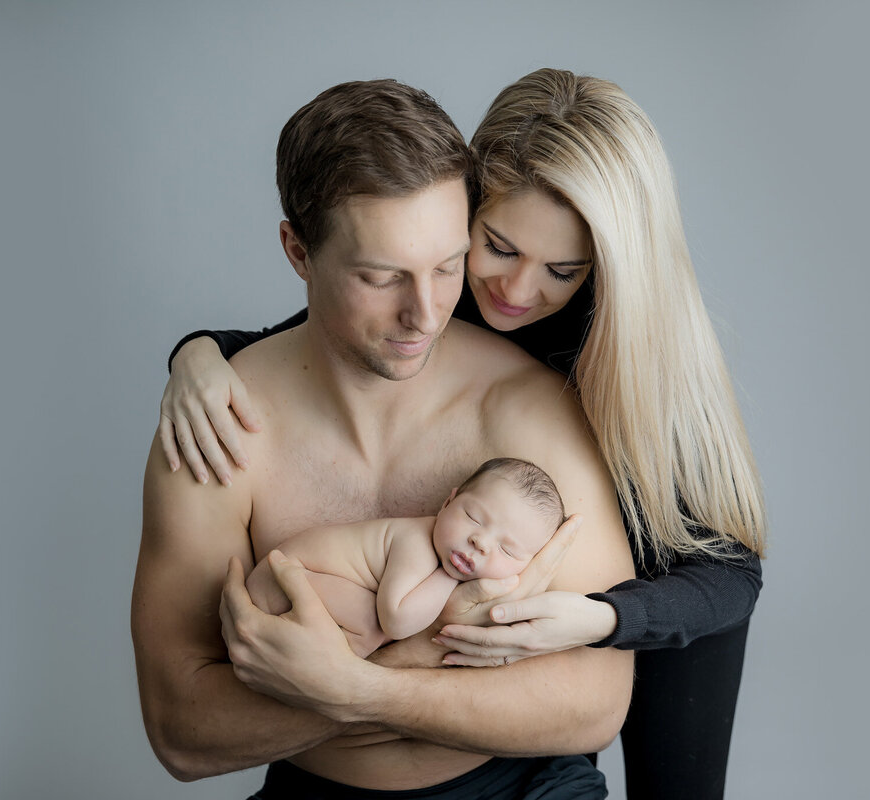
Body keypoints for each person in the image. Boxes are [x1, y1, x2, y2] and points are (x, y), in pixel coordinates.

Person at [160, 67, 768, 799]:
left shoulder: (633, 352)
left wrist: (603, 617)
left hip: (668, 605)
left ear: (604, 267)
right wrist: (196, 353)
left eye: (561, 269)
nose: (514, 291)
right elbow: (318, 320)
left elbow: (729, 574)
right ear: (466, 212)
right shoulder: (438, 296)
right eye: (496, 247)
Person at [245, 457, 568, 659]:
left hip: (294, 583)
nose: (480, 541)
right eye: (473, 517)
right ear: (448, 501)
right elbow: (398, 622)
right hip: (281, 579)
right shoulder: (415, 543)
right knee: (375, 628)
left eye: (507, 549)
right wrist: (447, 576)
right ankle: (337, 672)